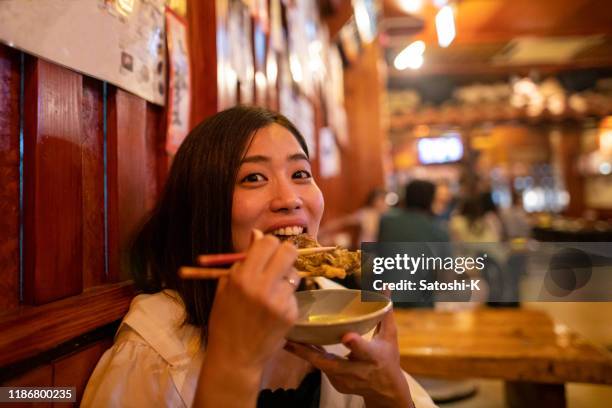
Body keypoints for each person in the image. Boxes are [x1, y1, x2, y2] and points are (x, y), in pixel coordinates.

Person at [81, 106, 435, 407]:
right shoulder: (153, 347)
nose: (290, 198)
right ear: (205, 206)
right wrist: (234, 365)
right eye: (253, 177)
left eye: (300, 174)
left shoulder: (343, 316)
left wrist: (390, 393)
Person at [319, 188, 389, 244]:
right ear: (374, 200)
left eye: (385, 200)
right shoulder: (366, 213)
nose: (385, 203)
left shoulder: (384, 217)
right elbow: (344, 221)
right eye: (382, 200)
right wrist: (322, 231)